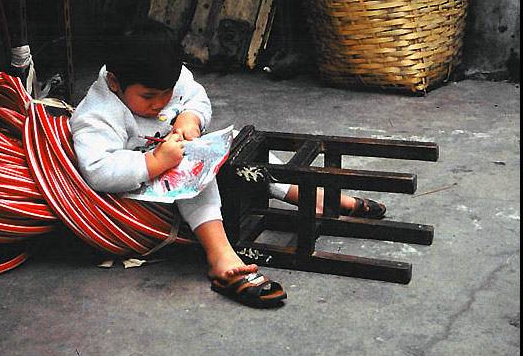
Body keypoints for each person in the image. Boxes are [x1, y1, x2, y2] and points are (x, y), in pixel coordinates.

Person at [70, 20, 383, 308]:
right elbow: (98, 169)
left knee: (236, 144)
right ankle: (220, 257)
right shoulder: (97, 114)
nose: (160, 103)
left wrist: (190, 118)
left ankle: (306, 195)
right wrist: (153, 162)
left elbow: (196, 97)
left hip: (173, 155)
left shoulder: (169, 78)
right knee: (191, 176)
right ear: (114, 83)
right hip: (139, 183)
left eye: (167, 94)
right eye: (149, 96)